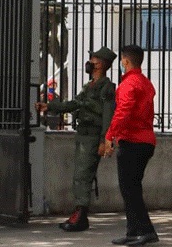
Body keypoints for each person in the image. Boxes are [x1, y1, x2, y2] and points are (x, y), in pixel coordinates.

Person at [34, 47, 116, 232]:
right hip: (83, 135)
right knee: (80, 176)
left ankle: (81, 215)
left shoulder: (107, 87)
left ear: (101, 64)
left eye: (93, 59)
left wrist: (105, 140)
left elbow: (107, 115)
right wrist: (50, 106)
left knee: (83, 176)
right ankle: (80, 214)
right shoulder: (89, 86)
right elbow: (73, 104)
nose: (90, 62)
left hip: (93, 136)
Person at [104, 45, 158, 246]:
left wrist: (110, 136)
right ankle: (133, 230)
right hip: (145, 141)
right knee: (131, 188)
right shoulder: (145, 83)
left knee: (130, 189)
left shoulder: (128, 84)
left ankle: (145, 230)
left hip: (133, 141)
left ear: (125, 61)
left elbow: (123, 112)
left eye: (121, 61)